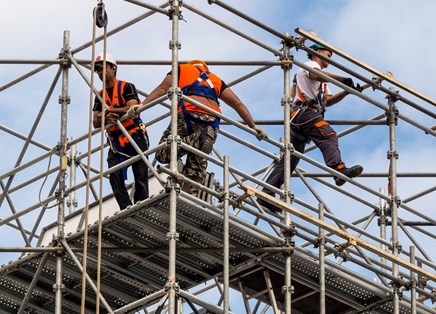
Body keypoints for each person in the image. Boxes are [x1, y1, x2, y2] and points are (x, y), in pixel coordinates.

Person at [257, 43, 363, 213]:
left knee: (291, 159)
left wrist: (346, 91)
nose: (329, 59)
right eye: (327, 55)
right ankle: (338, 169)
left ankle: (267, 193)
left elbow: (327, 101)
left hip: (303, 116)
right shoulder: (311, 66)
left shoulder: (322, 80)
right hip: (304, 113)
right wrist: (342, 79)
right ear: (317, 53)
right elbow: (316, 75)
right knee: (328, 135)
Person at [137, 60, 267, 197]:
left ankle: (199, 138)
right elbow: (237, 104)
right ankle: (189, 198)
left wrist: (142, 106)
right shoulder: (216, 80)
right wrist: (253, 126)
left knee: (162, 153)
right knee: (195, 170)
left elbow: (163, 89)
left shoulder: (182, 69)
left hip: (187, 116)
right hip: (212, 123)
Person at [92, 53, 149, 210]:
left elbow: (133, 109)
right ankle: (126, 208)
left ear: (113, 68)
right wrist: (105, 118)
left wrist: (111, 111)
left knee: (140, 175)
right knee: (115, 176)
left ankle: (142, 207)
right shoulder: (99, 95)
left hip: (134, 135)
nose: (100, 73)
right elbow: (95, 122)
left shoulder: (126, 87)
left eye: (102, 68)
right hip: (116, 141)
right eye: (97, 70)